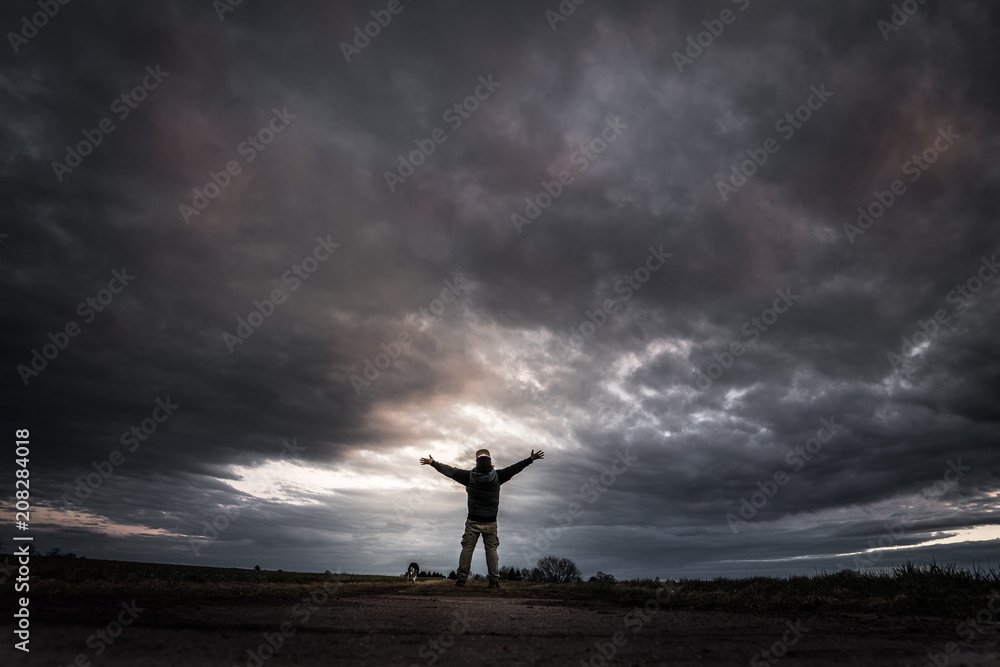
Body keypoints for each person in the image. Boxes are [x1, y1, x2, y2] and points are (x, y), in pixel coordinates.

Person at [420, 448, 543, 588]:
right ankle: (494, 581)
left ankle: (461, 580)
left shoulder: (468, 476)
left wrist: (433, 463)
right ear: (490, 462)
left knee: (467, 548)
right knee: (491, 550)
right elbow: (514, 469)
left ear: (477, 462)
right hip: (491, 521)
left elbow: (450, 471)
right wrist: (530, 459)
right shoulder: (498, 476)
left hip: (473, 520)